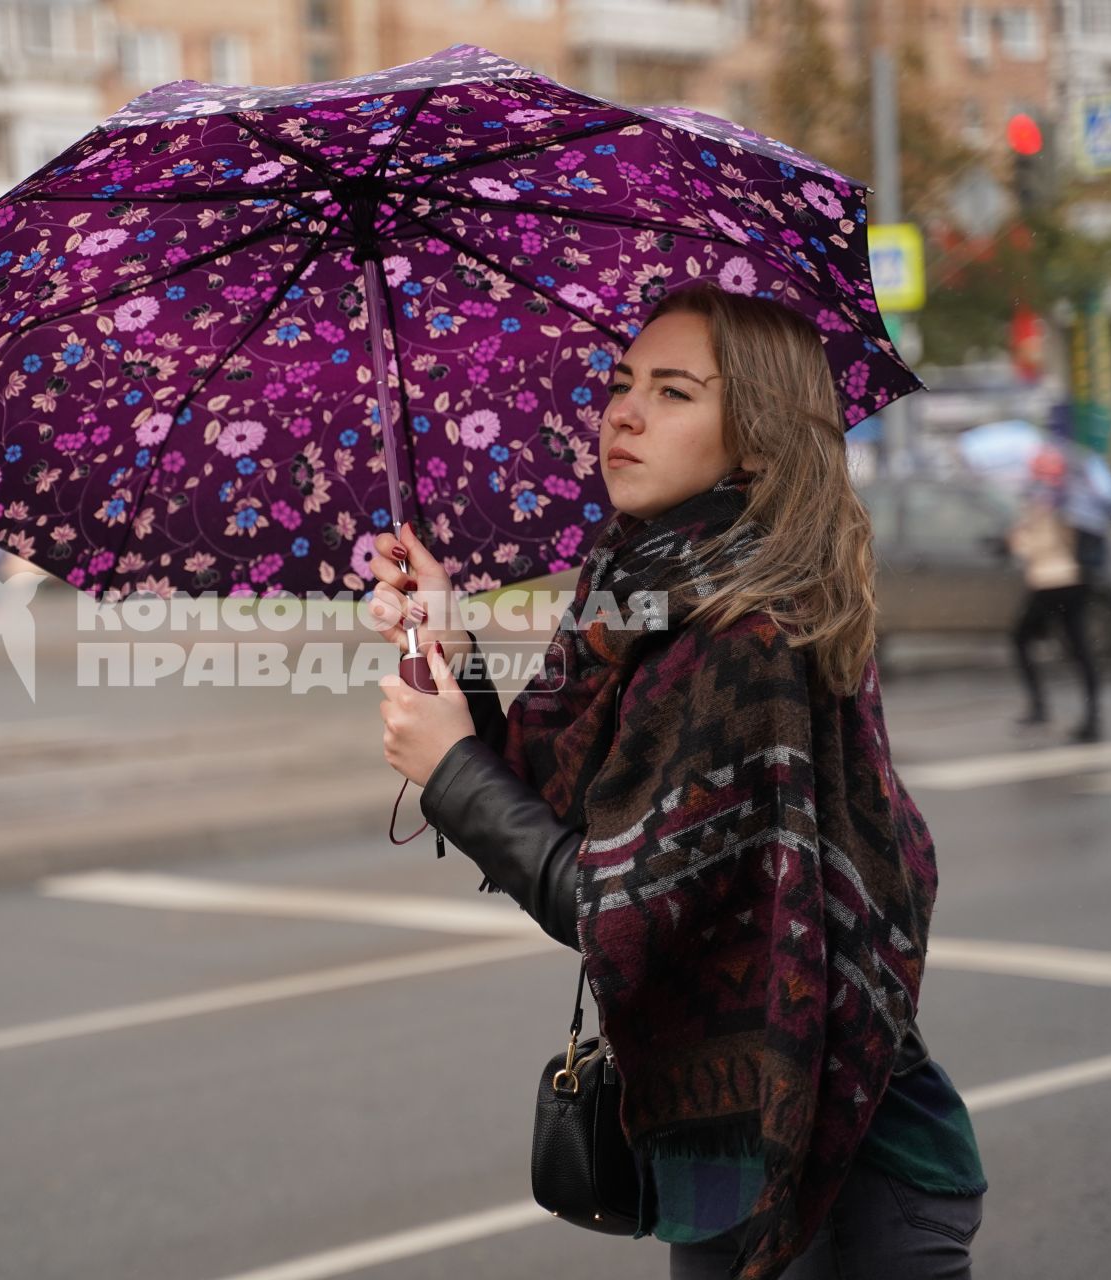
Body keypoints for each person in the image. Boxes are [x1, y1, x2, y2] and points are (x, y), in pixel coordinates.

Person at [367, 285, 986, 1280]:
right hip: (728, 1160)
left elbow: (620, 905)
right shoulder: (646, 595)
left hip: (835, 1173)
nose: (624, 411)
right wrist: (451, 648)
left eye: (673, 390)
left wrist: (451, 771)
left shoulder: (746, 630)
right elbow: (579, 805)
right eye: (620, 383)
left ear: (755, 435)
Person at [1007, 447, 1102, 743]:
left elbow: (1035, 547)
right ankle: (1091, 718)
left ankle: (1041, 707)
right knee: (1079, 649)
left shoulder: (1048, 501)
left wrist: (1014, 541)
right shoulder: (1075, 498)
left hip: (1052, 582)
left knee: (1022, 639)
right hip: (1076, 581)